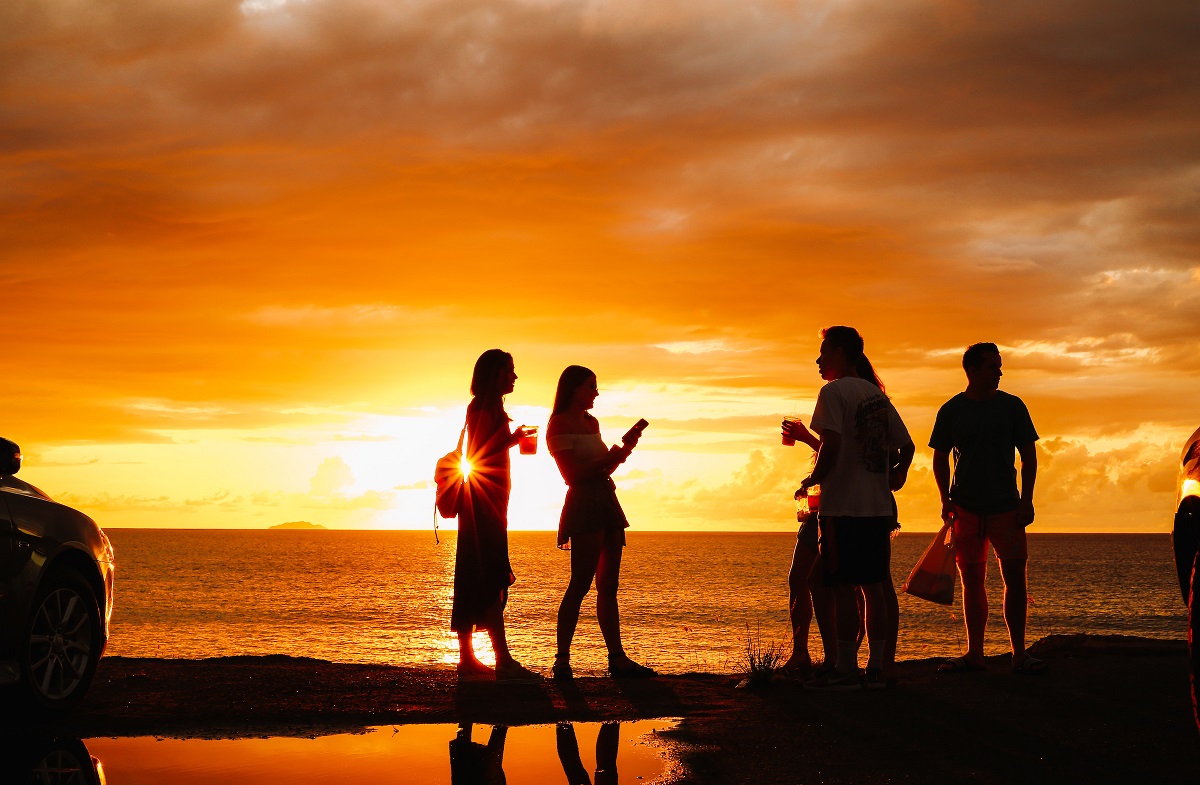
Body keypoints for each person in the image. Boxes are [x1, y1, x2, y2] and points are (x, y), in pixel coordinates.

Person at [798, 326, 914, 690]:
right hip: (877, 507)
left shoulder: (833, 392)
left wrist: (811, 481)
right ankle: (877, 666)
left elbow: (831, 445)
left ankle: (846, 666)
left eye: (824, 352)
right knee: (875, 586)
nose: (819, 360)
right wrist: (897, 474)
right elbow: (907, 446)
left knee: (840, 585)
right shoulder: (876, 396)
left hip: (844, 506)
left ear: (839, 353)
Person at [930, 342, 1043, 674]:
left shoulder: (1012, 406)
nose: (1000, 371)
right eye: (993, 366)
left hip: (1006, 506)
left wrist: (1027, 499)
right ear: (972, 370)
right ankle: (975, 653)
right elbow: (939, 457)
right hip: (966, 508)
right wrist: (944, 499)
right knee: (971, 580)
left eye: (1000, 365)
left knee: (1014, 580)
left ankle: (1019, 653)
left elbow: (1029, 455)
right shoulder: (951, 410)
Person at [547, 365, 655, 679]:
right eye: (591, 386)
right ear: (574, 389)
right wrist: (611, 458)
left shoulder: (591, 422)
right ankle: (562, 660)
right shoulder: (558, 424)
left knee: (608, 585)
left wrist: (624, 451)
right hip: (585, 504)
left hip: (605, 500)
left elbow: (603, 467)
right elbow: (572, 474)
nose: (596, 392)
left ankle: (617, 658)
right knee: (579, 585)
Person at [451, 349, 537, 680]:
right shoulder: (485, 408)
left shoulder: (486, 407)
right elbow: (479, 453)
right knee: (490, 578)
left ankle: (470, 660)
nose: (514, 376)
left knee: (477, 577)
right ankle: (500, 660)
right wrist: (513, 439)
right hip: (484, 505)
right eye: (509, 371)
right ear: (494, 375)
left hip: (486, 503)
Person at [779, 419, 837, 677]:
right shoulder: (833, 415)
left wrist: (805, 436)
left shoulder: (851, 410)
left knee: (843, 586)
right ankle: (801, 651)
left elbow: (840, 455)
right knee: (798, 579)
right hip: (817, 513)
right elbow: (828, 457)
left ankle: (839, 656)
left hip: (839, 511)